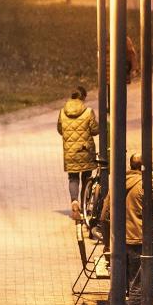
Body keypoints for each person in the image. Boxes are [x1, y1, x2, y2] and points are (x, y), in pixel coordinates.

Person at [99, 153, 153, 305]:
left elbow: (104, 215)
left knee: (117, 283)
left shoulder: (117, 183)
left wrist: (107, 243)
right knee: (137, 284)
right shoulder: (145, 185)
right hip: (138, 241)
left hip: (118, 242)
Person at [58, 86, 99, 219]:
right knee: (86, 178)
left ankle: (74, 202)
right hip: (85, 151)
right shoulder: (88, 111)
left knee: (73, 178)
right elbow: (94, 130)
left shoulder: (62, 112)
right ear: (83, 97)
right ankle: (84, 205)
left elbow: (60, 130)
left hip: (70, 152)